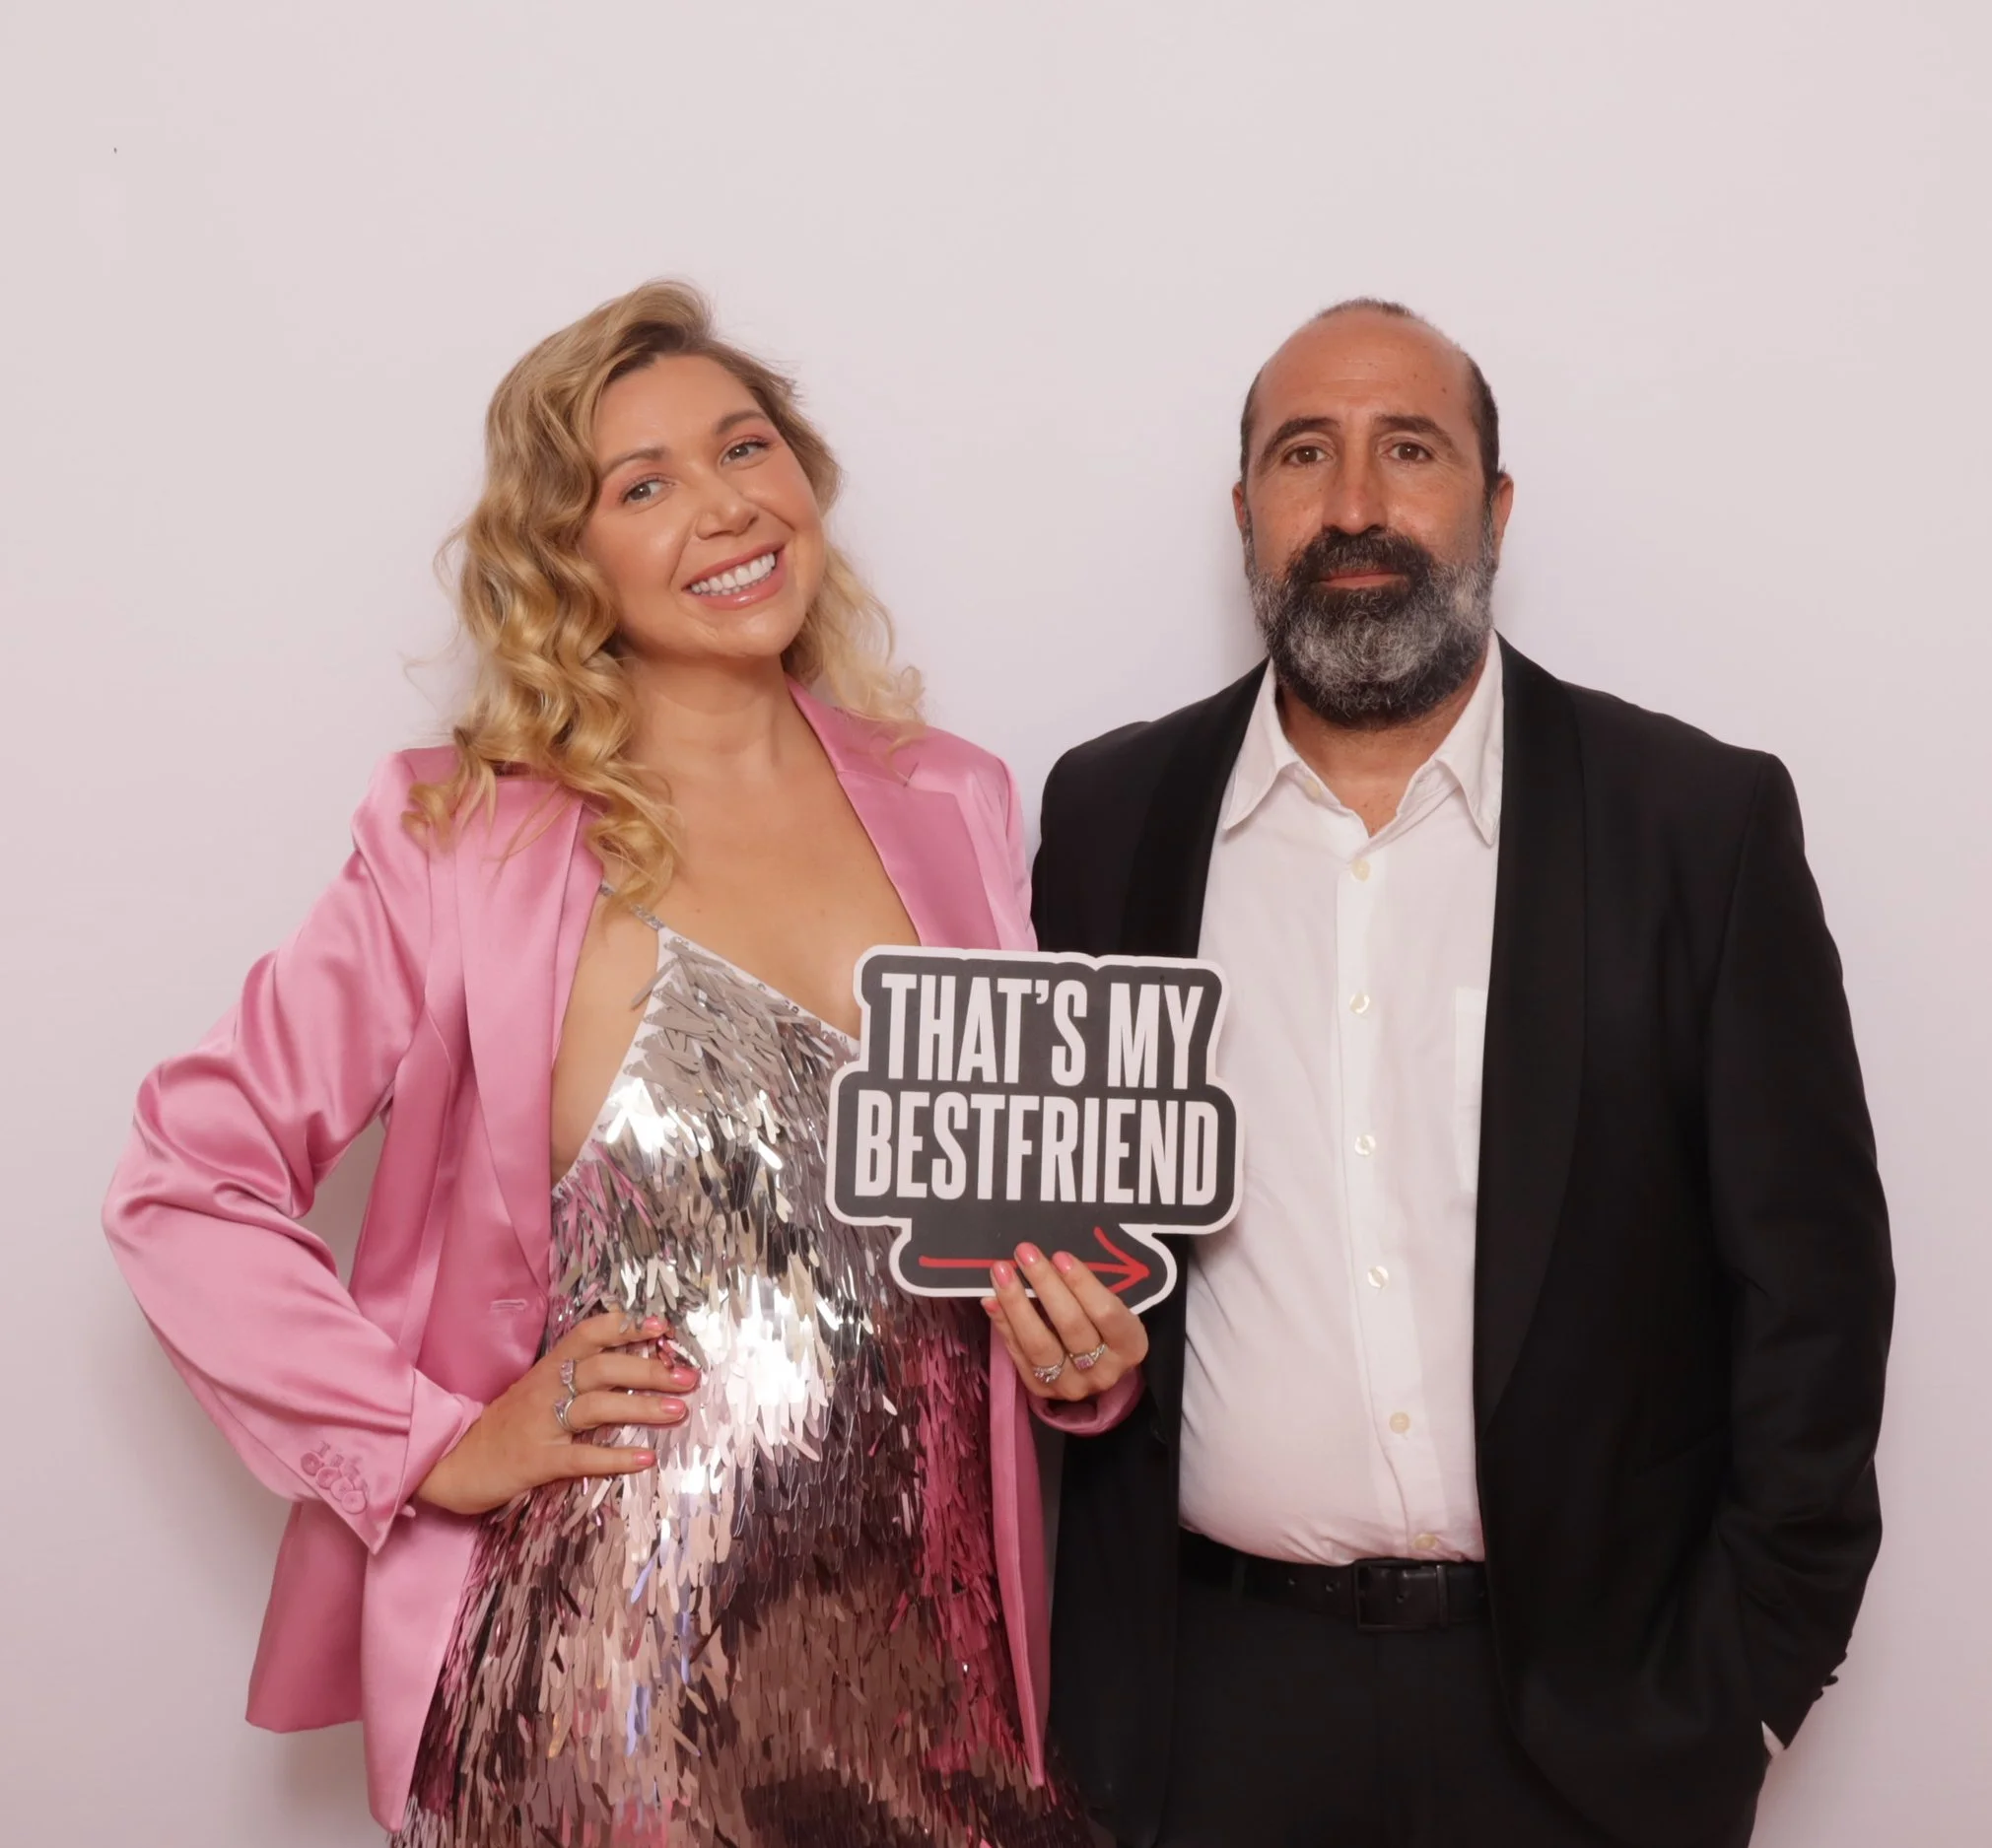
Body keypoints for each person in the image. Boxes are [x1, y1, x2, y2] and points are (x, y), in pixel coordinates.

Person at [101, 281, 1140, 1846]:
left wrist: (1078, 1361)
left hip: (945, 1686)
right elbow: (186, 1177)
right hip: (615, 1699)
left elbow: (1009, 1217)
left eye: (745, 446)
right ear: (564, 557)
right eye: (641, 484)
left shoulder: (960, 802)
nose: (723, 505)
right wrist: (436, 1443)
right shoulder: (463, 840)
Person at [1029, 300, 1896, 1848]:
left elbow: (1815, 1296)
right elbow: (1068, 1231)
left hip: (1583, 1724)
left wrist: (1742, 1687)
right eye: (1305, 453)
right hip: (1206, 1716)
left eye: (1408, 449)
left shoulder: (1694, 826)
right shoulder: (1109, 815)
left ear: (1495, 507)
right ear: (1245, 514)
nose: (1355, 503)